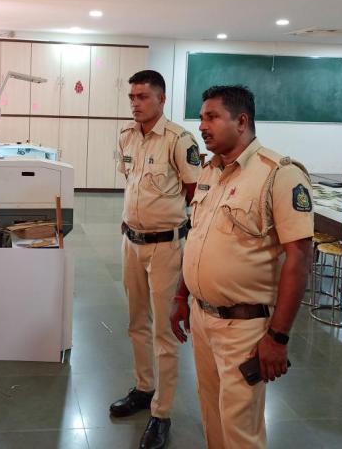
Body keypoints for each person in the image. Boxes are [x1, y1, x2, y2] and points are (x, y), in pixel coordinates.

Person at [170, 85, 313, 449]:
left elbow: (298, 257)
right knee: (213, 419)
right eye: (202, 117)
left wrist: (278, 338)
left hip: (244, 327)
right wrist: (181, 295)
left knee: (240, 430)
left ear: (242, 121)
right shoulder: (209, 172)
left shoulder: (278, 175)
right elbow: (197, 238)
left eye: (212, 117)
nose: (202, 126)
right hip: (202, 319)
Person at [110, 70, 200, 449]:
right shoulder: (126, 136)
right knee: (135, 322)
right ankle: (144, 387)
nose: (135, 103)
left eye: (143, 96)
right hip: (131, 241)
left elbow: (195, 190)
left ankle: (161, 412)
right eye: (132, 96)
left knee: (164, 331)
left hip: (167, 246)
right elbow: (132, 183)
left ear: (161, 100)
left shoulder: (180, 140)